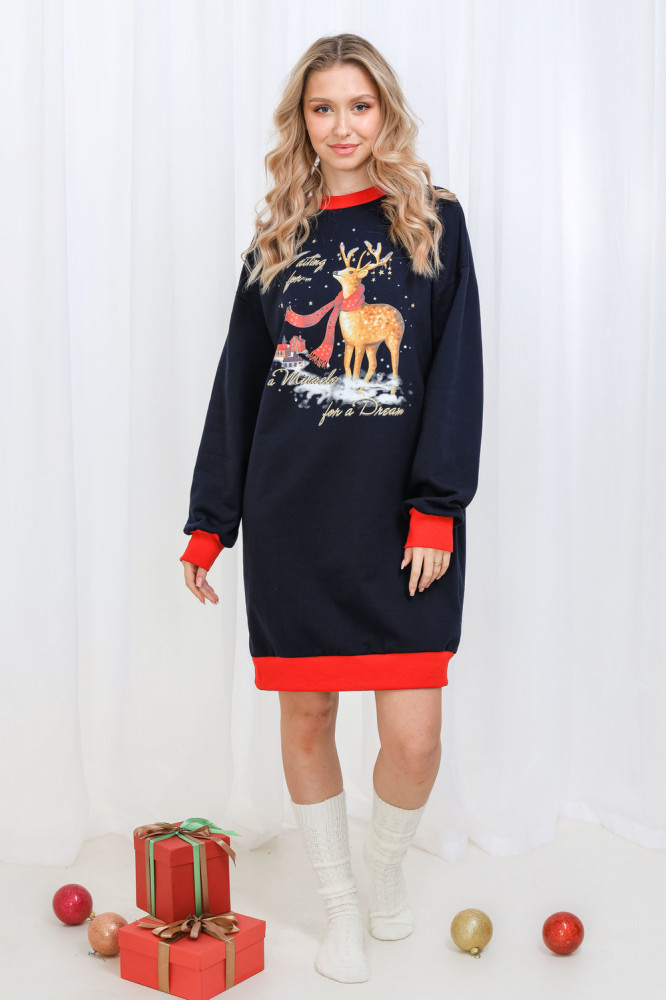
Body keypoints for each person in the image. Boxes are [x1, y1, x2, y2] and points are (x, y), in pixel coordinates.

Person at [180, 33, 483, 985]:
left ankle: (384, 867)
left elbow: (458, 376)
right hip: (295, 519)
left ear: (384, 111)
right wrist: (210, 520)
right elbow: (239, 390)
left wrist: (436, 509)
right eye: (323, 108)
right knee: (307, 714)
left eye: (359, 105)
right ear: (301, 122)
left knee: (414, 738)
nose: (342, 125)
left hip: (399, 527)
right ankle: (342, 905)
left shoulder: (433, 223)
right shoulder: (277, 241)